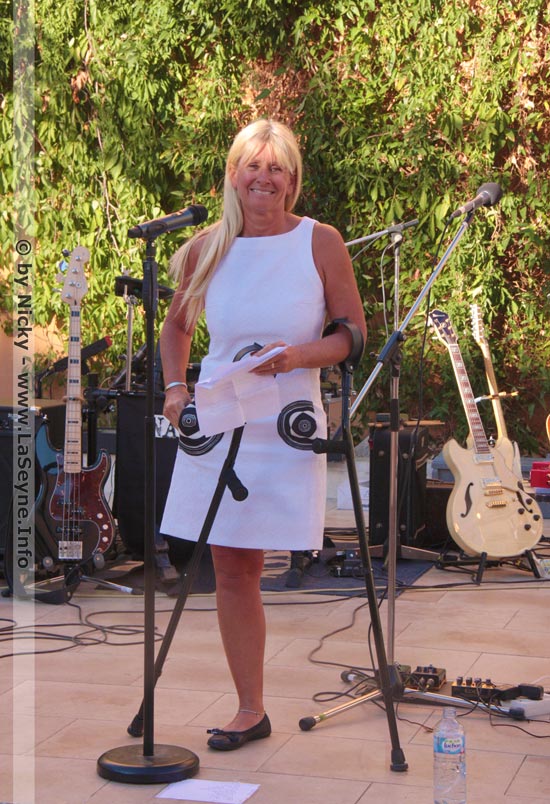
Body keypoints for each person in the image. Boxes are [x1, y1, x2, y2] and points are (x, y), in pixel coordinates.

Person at [159, 119, 366, 751]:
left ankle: (252, 704)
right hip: (221, 416)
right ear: (233, 174)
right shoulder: (206, 247)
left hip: (286, 419)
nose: (264, 178)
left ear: (292, 180)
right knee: (230, 564)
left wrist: (298, 356)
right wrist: (175, 388)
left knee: (261, 558)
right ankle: (250, 708)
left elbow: (352, 334)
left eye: (277, 168)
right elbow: (177, 328)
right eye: (253, 165)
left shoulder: (320, 241)